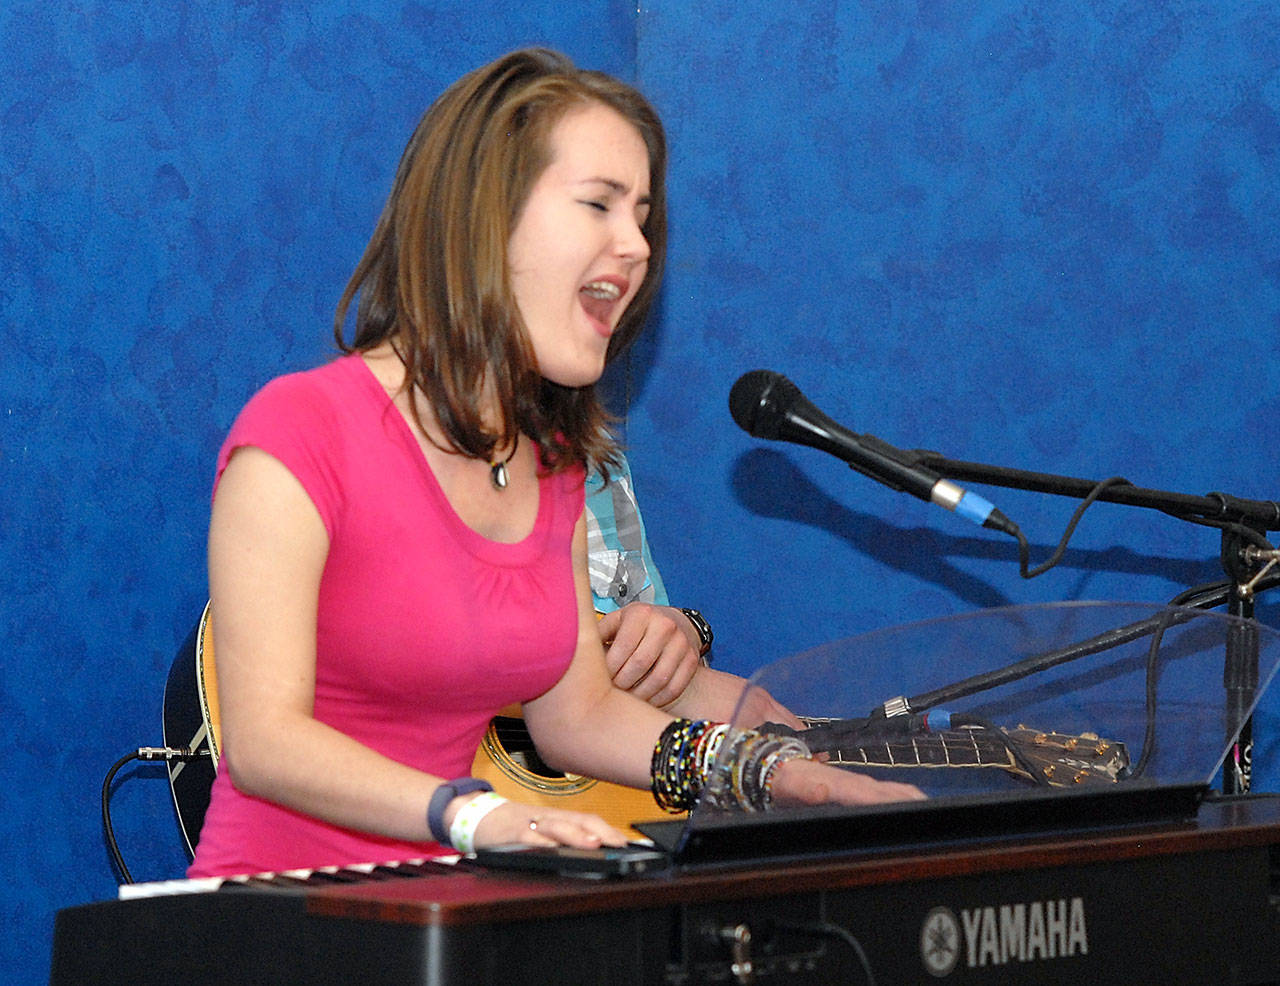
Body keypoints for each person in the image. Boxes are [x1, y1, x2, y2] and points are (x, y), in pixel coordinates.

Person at [189, 48, 921, 878]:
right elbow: (263, 742)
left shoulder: (553, 464)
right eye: (599, 205)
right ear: (481, 219)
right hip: (279, 914)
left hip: (446, 902)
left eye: (642, 214)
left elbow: (578, 718)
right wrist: (473, 814)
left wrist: (779, 776)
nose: (637, 245)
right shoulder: (301, 428)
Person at [586, 456, 800, 726]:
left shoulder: (598, 454)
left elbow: (634, 608)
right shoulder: (522, 463)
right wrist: (685, 692)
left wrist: (688, 628)